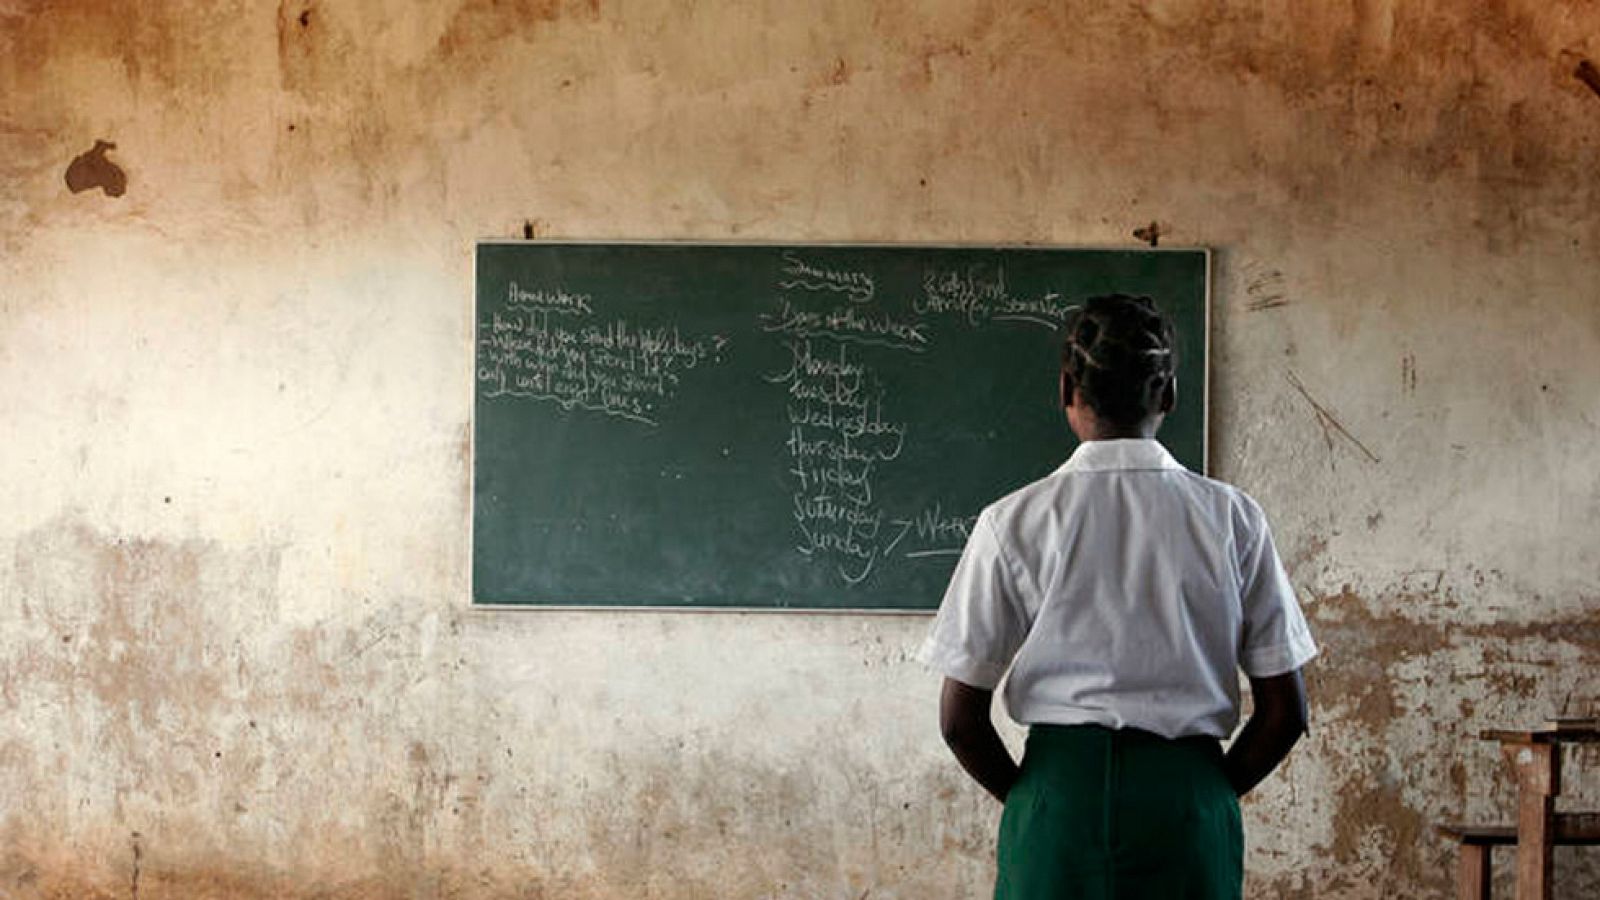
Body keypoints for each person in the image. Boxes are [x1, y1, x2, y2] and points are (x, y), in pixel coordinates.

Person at [917, 294, 1317, 900]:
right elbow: (1285, 712)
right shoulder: (1233, 518)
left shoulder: (1014, 520)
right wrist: (1203, 795)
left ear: (1065, 389)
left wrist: (1040, 800)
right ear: (1170, 393)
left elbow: (959, 723)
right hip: (1189, 803)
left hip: (1058, 803)